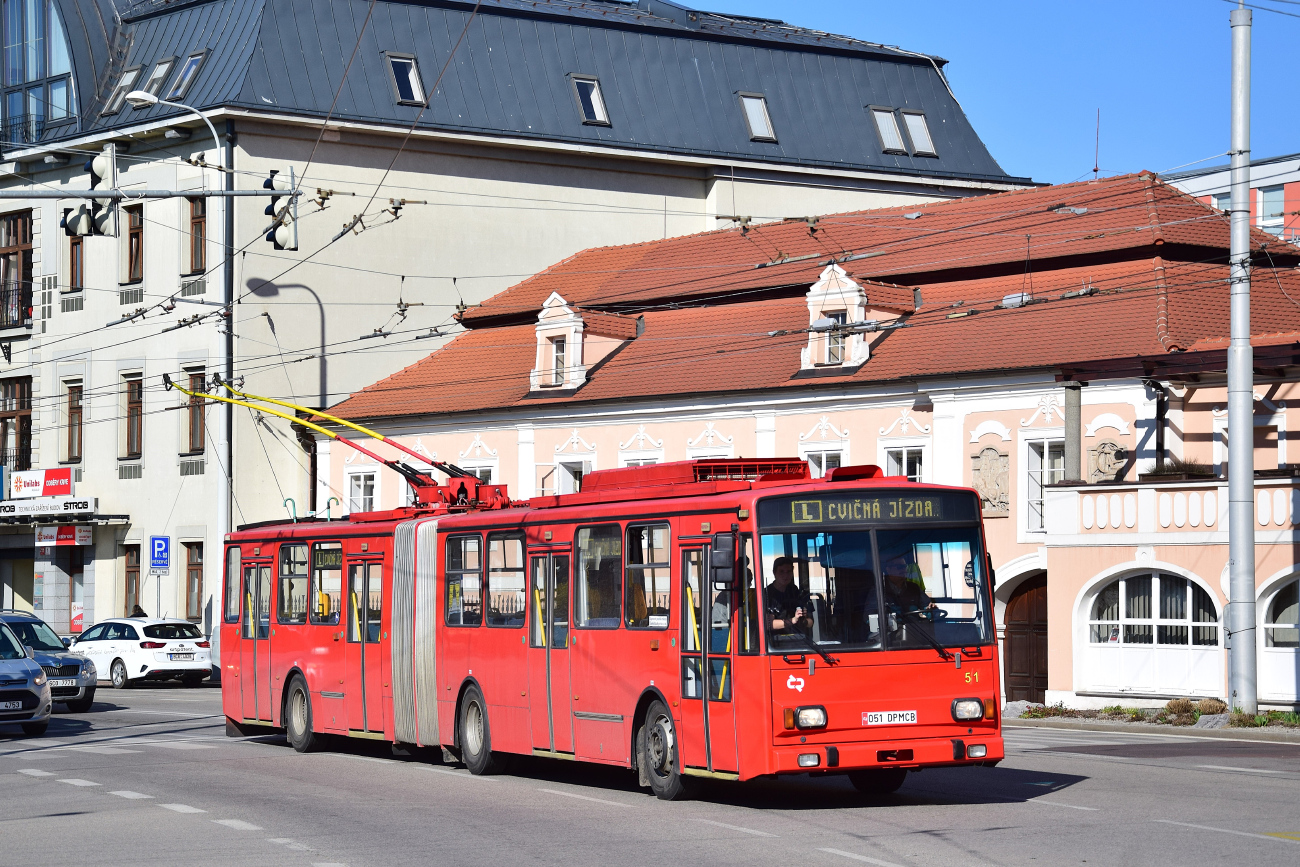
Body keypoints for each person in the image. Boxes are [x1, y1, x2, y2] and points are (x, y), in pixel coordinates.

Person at [765, 556, 812, 633]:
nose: (785, 575)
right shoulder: (767, 593)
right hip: (774, 642)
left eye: (788, 571)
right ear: (774, 572)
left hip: (799, 640)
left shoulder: (796, 591)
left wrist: (803, 620)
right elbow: (768, 624)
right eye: (781, 571)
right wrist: (793, 620)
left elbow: (810, 622)